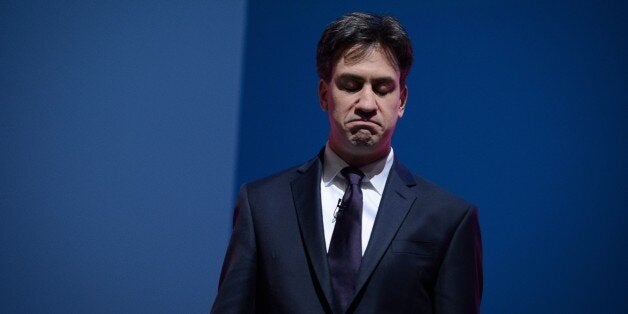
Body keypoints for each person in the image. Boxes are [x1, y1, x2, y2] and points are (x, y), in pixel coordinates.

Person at [211, 12, 482, 313]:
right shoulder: (263, 205)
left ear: (401, 101)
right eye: (351, 85)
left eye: (382, 89)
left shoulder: (449, 219)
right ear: (324, 94)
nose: (367, 104)